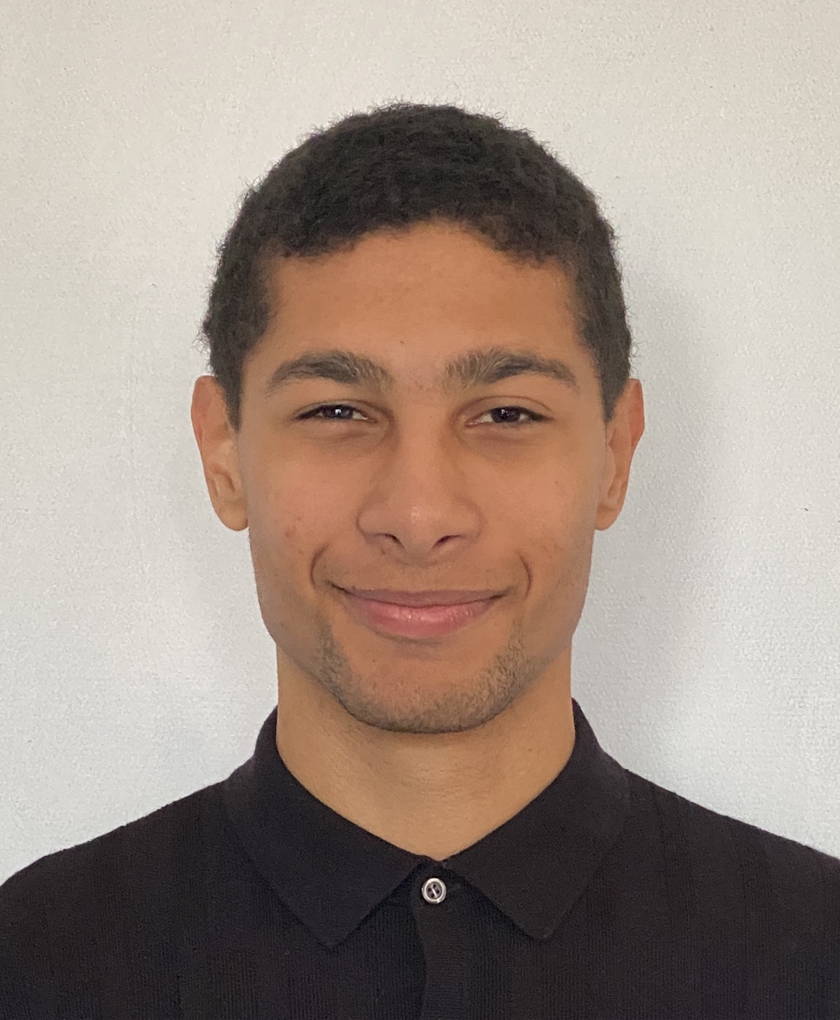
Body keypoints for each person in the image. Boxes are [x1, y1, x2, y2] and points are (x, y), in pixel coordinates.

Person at [1, 101, 837, 1020]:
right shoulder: (36, 964)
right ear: (224, 454)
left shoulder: (815, 958)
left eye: (507, 414)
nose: (419, 515)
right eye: (336, 411)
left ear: (615, 455)